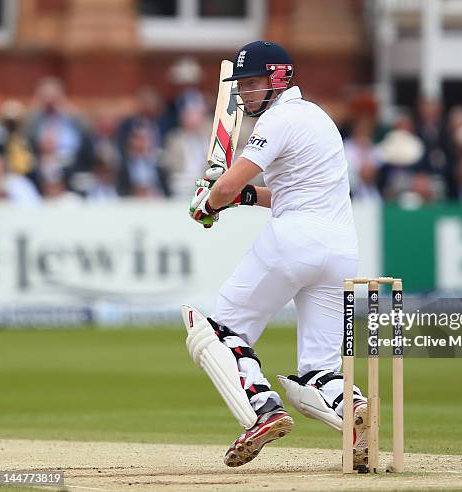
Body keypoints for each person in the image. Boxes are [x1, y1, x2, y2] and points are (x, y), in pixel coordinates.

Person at [183, 41, 367, 468]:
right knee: (320, 368)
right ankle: (354, 417)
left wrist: (208, 203)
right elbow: (283, 193)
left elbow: (225, 187)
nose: (245, 94)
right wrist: (238, 196)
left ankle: (263, 410)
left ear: (279, 78)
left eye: (252, 84)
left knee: (218, 330)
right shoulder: (317, 117)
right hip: (340, 249)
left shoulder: (278, 119)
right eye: (241, 85)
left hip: (293, 242)